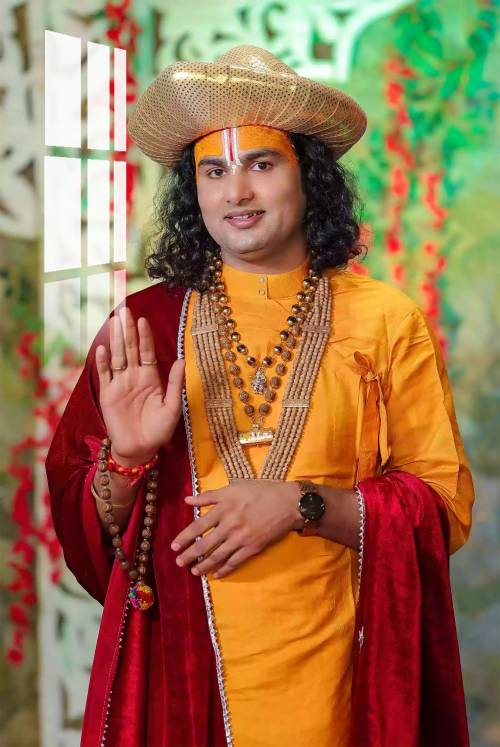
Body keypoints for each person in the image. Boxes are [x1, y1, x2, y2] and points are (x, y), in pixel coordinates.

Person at [46, 45, 474, 747]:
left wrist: (302, 504)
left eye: (262, 165)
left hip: (343, 674)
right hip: (185, 674)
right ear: (194, 193)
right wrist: (125, 460)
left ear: (309, 178)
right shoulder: (145, 327)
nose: (236, 193)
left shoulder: (385, 319)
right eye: (214, 172)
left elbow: (441, 508)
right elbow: (92, 532)